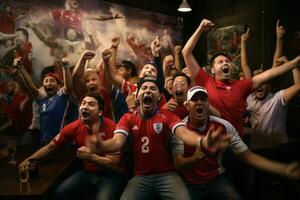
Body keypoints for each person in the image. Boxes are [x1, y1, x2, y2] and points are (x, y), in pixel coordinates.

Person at [96, 51, 230, 199]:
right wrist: (102, 145)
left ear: (159, 96)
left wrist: (202, 141)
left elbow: (184, 133)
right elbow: (117, 142)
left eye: (153, 88)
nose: (148, 90)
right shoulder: (127, 118)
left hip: (168, 175)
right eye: (144, 88)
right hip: (140, 177)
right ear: (137, 95)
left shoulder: (168, 116)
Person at [172, 86, 300, 200]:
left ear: (208, 104)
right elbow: (178, 164)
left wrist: (284, 169)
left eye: (203, 99)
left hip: (216, 180)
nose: (199, 102)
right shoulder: (180, 129)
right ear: (187, 105)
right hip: (190, 183)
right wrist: (194, 158)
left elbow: (248, 156)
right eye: (194, 100)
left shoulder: (223, 126)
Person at [182, 18, 300, 138]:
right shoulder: (206, 81)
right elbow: (186, 52)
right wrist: (201, 29)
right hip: (213, 142)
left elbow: (269, 74)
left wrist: (293, 64)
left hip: (236, 143)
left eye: (227, 61)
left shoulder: (241, 85)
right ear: (212, 70)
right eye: (220, 62)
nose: (225, 63)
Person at [19, 93, 125, 200]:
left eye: (91, 104)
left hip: (110, 176)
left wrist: (90, 156)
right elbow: (51, 147)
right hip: (87, 174)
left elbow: (113, 164)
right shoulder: (75, 126)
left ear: (100, 112)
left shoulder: (111, 127)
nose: (85, 106)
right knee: (58, 194)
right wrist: (28, 160)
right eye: (83, 103)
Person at [15, 57, 78, 145]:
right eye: (46, 81)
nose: (48, 83)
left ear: (59, 86)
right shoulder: (42, 99)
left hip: (61, 142)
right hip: (45, 141)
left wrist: (65, 66)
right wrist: (20, 67)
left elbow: (69, 87)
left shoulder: (61, 96)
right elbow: (30, 85)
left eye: (52, 81)